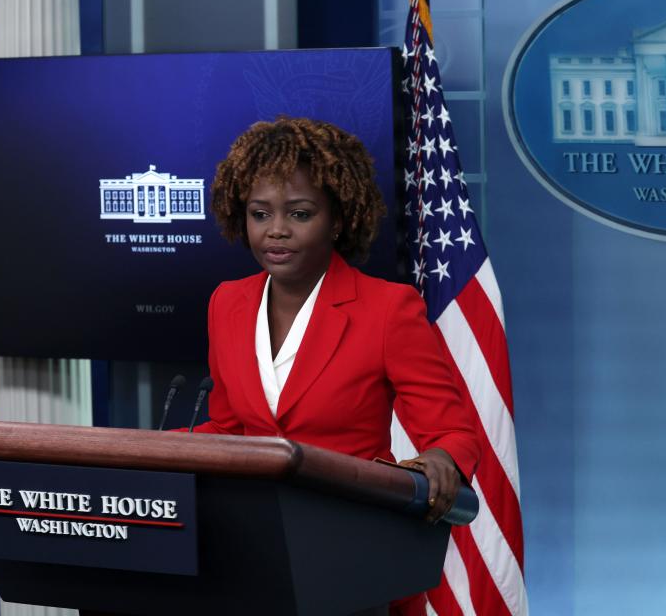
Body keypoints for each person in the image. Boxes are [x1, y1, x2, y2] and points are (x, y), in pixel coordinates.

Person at [195, 117, 480, 525]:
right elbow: (228, 429)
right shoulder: (227, 302)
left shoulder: (388, 309)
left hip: (354, 536)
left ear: (338, 220)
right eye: (260, 214)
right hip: (255, 533)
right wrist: (143, 452)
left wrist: (441, 459)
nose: (276, 231)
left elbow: (451, 433)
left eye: (299, 214)